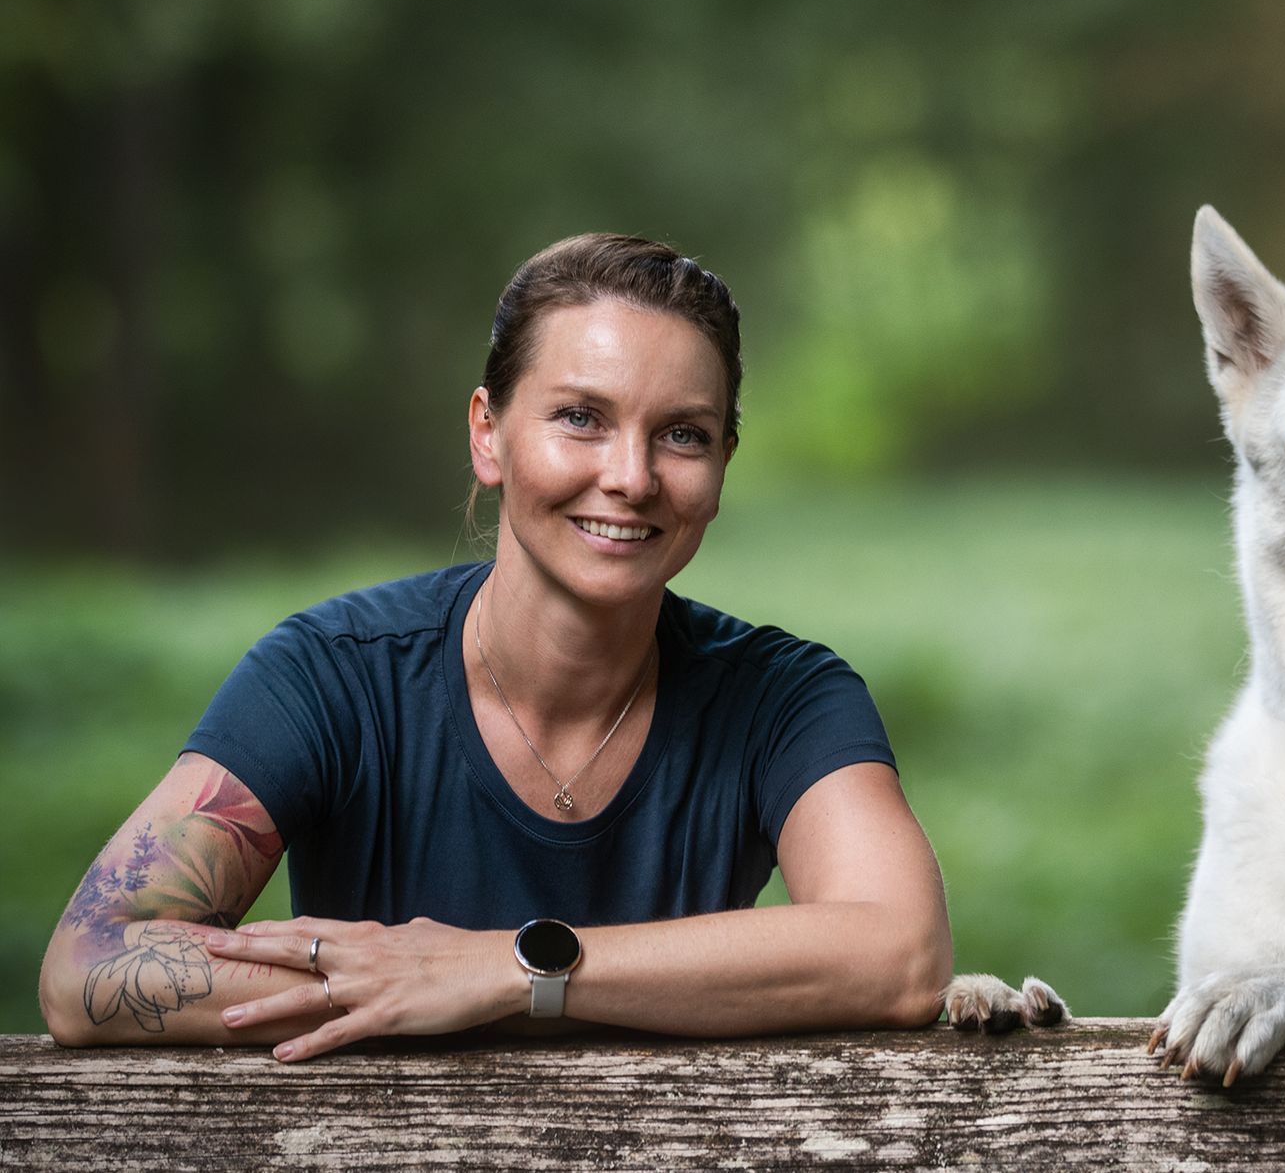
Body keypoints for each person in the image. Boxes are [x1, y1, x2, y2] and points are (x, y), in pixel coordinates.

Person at [38, 234, 953, 1062]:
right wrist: (405, 983)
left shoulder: (786, 698)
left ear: (720, 469)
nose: (631, 478)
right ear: (489, 433)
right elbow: (89, 963)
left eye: (683, 435)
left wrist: (505, 972)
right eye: (581, 418)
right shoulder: (331, 673)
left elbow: (900, 952)